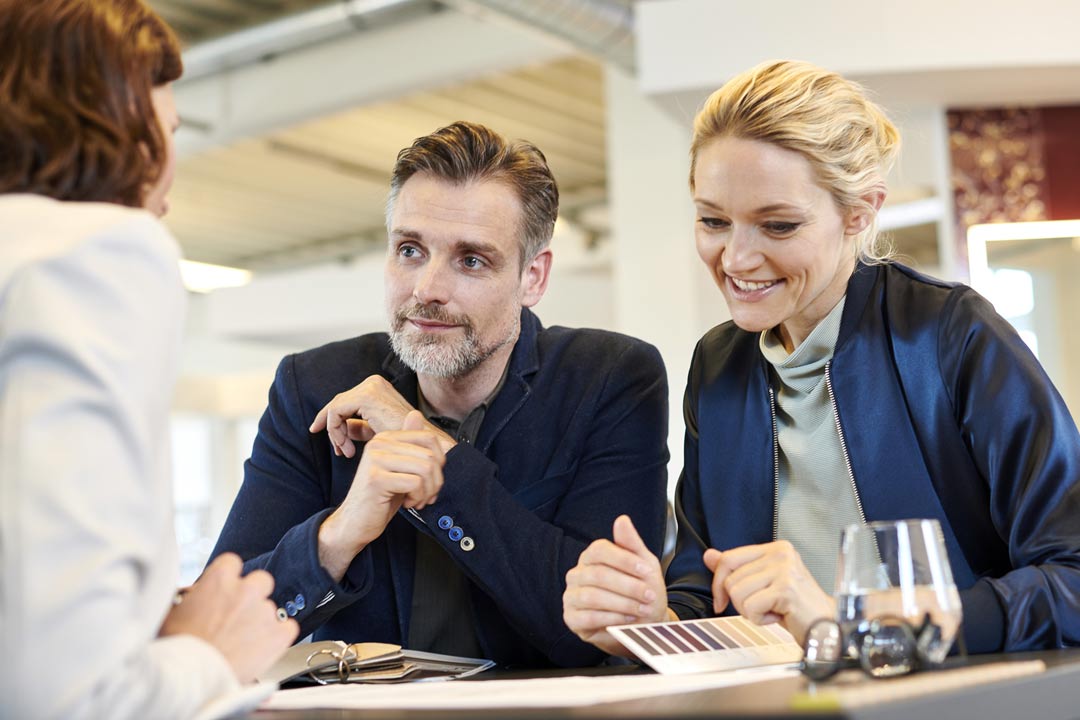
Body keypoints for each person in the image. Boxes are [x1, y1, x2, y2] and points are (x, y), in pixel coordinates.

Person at [563, 59, 1080, 657]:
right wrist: (650, 623)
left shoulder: (949, 334)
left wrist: (850, 623)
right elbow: (704, 592)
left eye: (777, 226)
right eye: (713, 221)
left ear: (858, 212)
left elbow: (1071, 578)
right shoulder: (718, 366)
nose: (735, 259)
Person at [210, 120, 669, 668]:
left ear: (533, 278)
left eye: (471, 260)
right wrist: (339, 535)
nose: (427, 289)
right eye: (409, 250)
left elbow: (590, 633)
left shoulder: (610, 379)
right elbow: (218, 633)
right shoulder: (313, 386)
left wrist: (437, 459)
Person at [0, 1, 299, 717]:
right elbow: (68, 697)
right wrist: (209, 657)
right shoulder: (88, 253)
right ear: (120, 136)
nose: (166, 194)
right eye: (165, 137)